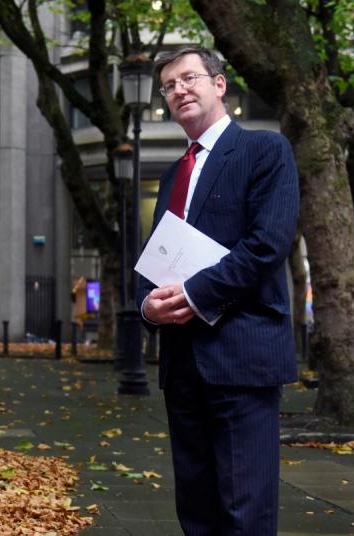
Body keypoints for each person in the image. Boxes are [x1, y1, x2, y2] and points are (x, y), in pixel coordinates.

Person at [138, 45, 299, 535]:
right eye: (169, 85)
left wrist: (192, 296)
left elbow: (266, 246)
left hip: (242, 357)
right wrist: (148, 305)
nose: (179, 90)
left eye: (189, 78)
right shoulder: (172, 175)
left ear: (219, 84)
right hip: (183, 364)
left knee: (244, 513)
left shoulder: (266, 150)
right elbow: (158, 261)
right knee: (197, 509)